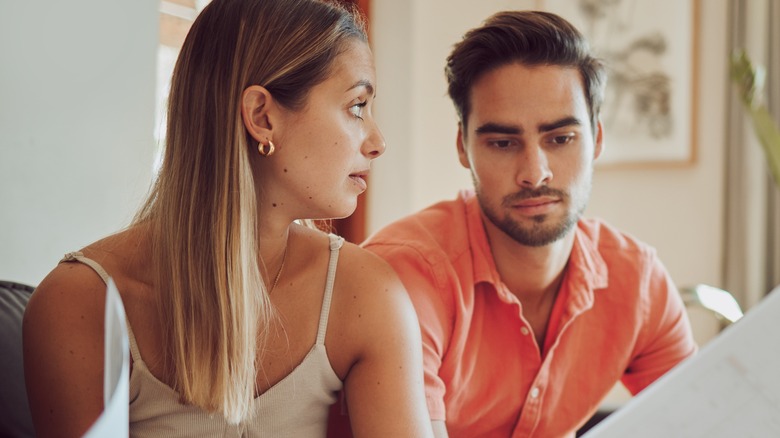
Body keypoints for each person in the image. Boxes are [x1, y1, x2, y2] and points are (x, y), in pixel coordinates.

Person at [22, 0, 432, 437]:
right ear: (261, 116)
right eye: (356, 106)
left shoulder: (365, 295)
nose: (377, 141)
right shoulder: (81, 305)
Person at [361, 10, 697, 437]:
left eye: (560, 139)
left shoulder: (638, 283)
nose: (534, 173)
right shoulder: (403, 278)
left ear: (596, 138)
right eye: (503, 142)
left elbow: (702, 422)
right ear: (463, 147)